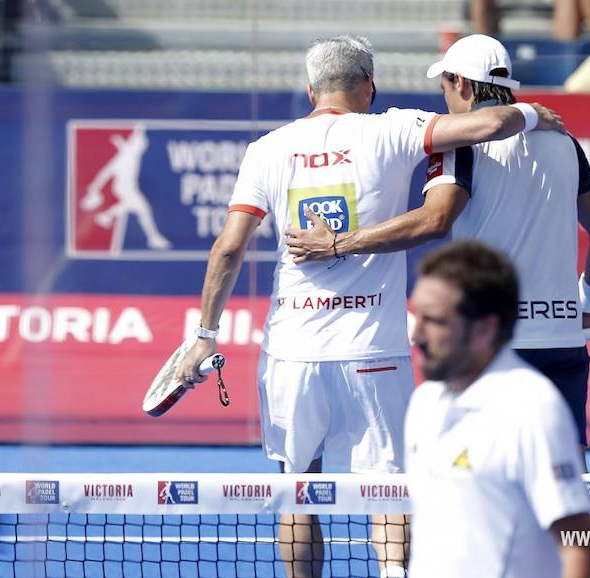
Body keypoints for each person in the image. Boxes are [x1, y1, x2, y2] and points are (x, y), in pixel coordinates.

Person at [175, 35, 563, 578]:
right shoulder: (392, 127)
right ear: (370, 87)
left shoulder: (267, 148)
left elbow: (229, 248)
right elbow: (489, 123)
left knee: (298, 491)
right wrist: (530, 112)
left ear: (310, 90)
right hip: (374, 352)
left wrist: (205, 334)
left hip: (293, 354)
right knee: (390, 489)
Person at [286, 33, 590, 460]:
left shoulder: (456, 143)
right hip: (561, 342)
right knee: (568, 489)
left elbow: (434, 220)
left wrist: (338, 243)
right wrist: (585, 304)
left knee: (482, 486)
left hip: (489, 346)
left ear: (461, 84)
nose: (444, 98)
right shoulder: (564, 143)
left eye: (444, 87)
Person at [405, 239, 590, 578]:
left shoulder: (532, 408)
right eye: (416, 315)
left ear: (484, 328)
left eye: (434, 321)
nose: (416, 333)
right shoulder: (423, 402)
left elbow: (578, 537)